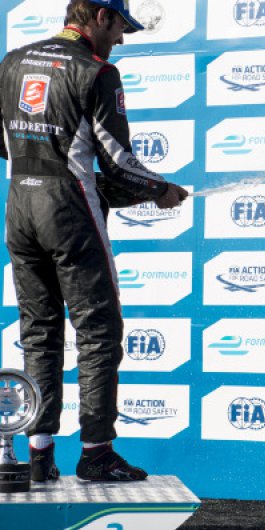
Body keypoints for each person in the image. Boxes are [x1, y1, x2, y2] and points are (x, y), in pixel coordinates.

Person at [0, 0, 188, 482]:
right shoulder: (97, 71)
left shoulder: (13, 59)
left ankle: (39, 454)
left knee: (39, 332)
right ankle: (97, 453)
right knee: (99, 332)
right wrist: (160, 190)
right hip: (70, 210)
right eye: (121, 26)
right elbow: (117, 160)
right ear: (101, 16)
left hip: (19, 208)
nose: (121, 39)